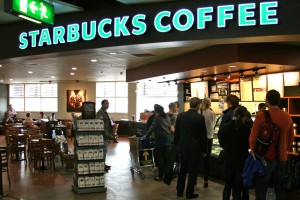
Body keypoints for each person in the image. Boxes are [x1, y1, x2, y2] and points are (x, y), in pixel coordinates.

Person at [249, 89, 294, 200]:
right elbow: (291, 139)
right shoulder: (287, 117)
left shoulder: (261, 116)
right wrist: (285, 151)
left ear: (267, 101)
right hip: (281, 158)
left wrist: (254, 152)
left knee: (261, 190)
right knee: (279, 189)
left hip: (264, 159)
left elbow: (253, 138)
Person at [174, 97, 207, 199]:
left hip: (183, 147)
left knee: (182, 170)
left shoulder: (180, 116)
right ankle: (189, 192)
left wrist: (176, 145)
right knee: (193, 171)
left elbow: (177, 133)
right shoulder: (199, 118)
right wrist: (204, 150)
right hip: (195, 149)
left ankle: (179, 190)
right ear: (198, 105)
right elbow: (203, 136)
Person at [219, 106, 251, 200]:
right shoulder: (245, 129)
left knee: (228, 185)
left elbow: (222, 141)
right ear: (244, 117)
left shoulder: (226, 127)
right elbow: (248, 145)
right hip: (241, 159)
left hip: (229, 157)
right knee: (238, 185)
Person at [217, 94, 240, 199]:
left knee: (228, 182)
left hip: (229, 151)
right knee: (239, 182)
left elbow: (220, 134)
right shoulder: (245, 113)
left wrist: (224, 146)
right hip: (242, 153)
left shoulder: (226, 116)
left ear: (229, 103)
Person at [146, 104, 171, 181]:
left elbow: (152, 127)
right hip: (167, 138)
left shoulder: (157, 118)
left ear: (156, 110)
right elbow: (169, 127)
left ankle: (160, 175)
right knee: (166, 157)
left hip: (160, 139)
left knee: (160, 157)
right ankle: (167, 175)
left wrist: (147, 135)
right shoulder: (167, 117)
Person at [199, 97, 216, 188]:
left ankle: (194, 180)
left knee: (198, 158)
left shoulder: (199, 113)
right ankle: (206, 180)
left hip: (200, 139)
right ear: (210, 104)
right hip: (209, 138)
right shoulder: (212, 113)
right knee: (207, 160)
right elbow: (213, 125)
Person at [96, 99, 114, 171]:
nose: (108, 105)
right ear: (102, 104)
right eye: (107, 103)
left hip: (106, 135)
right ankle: (101, 165)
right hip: (102, 135)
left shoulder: (105, 112)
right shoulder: (100, 113)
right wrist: (107, 135)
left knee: (105, 150)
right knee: (103, 150)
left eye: (108, 103)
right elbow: (100, 125)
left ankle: (103, 163)